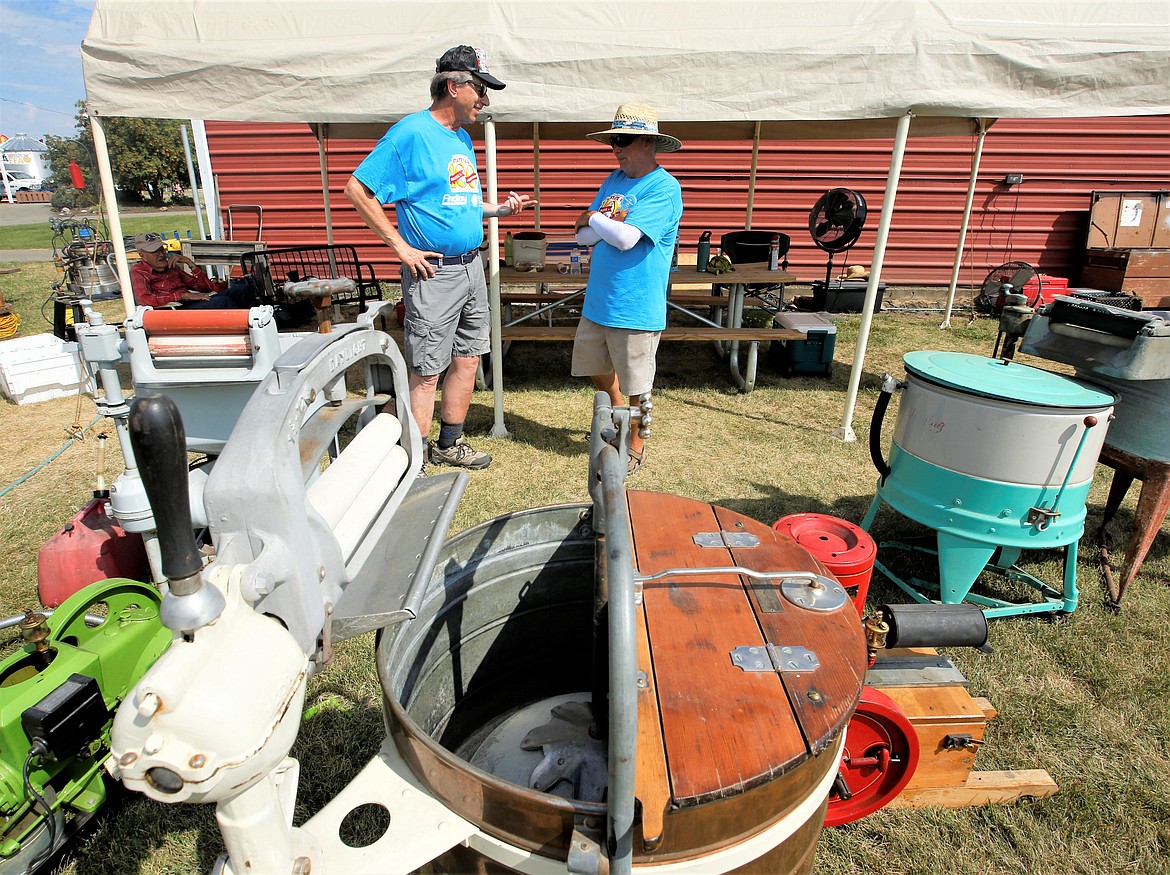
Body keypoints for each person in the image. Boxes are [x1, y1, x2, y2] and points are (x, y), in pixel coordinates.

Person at [344, 45, 532, 470]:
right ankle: (414, 457)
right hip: (434, 274)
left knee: (467, 359)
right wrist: (400, 246)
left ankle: (449, 444)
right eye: (481, 90)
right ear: (453, 86)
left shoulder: (461, 138)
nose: (486, 100)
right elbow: (358, 190)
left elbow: (456, 201)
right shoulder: (409, 134)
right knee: (428, 369)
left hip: (472, 267)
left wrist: (497, 210)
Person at [571, 103, 683, 475]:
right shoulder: (614, 180)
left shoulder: (665, 188)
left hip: (636, 305)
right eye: (613, 140)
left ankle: (637, 440)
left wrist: (594, 217)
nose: (616, 147)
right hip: (600, 299)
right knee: (594, 366)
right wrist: (597, 224)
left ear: (648, 142)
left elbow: (625, 238)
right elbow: (585, 238)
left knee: (641, 384)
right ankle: (620, 411)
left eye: (623, 140)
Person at [129, 232, 256, 309]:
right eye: (155, 251)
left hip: (190, 303)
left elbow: (206, 288)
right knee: (223, 301)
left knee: (242, 290)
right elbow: (145, 299)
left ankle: (260, 326)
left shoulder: (171, 267)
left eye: (162, 249)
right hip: (173, 311)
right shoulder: (139, 272)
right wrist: (183, 296)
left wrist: (190, 264)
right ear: (142, 255)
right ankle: (244, 332)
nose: (161, 254)